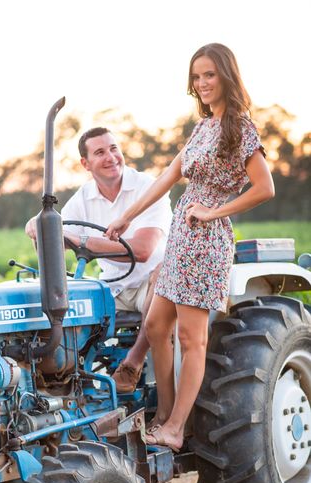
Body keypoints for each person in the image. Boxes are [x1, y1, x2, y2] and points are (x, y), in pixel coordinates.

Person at [106, 43, 275, 450]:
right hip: (183, 237)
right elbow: (167, 176)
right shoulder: (202, 128)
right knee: (155, 326)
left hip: (207, 239)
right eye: (196, 77)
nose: (201, 84)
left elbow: (265, 188)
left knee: (191, 338)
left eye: (209, 75)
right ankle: (162, 417)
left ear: (226, 77)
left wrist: (215, 212)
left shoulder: (241, 128)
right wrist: (129, 215)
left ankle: (177, 428)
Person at [26, 127, 172, 392]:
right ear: (86, 163)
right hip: (113, 286)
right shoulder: (83, 198)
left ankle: (133, 363)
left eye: (114, 148)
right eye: (100, 152)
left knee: (162, 272)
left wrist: (82, 242)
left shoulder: (148, 188)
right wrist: (36, 226)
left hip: (152, 285)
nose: (111, 157)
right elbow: (56, 231)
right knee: (62, 301)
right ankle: (63, 378)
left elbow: (142, 250)